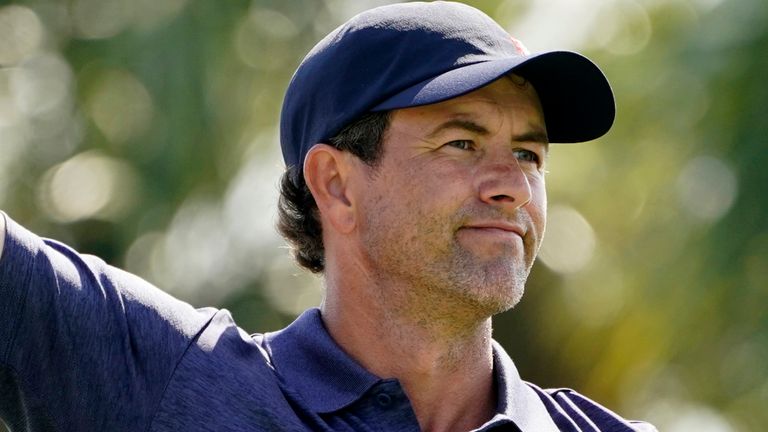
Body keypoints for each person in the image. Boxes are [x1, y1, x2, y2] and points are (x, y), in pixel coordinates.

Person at [0, 2, 657, 431]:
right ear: (335, 184)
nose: (514, 186)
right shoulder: (179, 380)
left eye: (528, 154)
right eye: (462, 143)